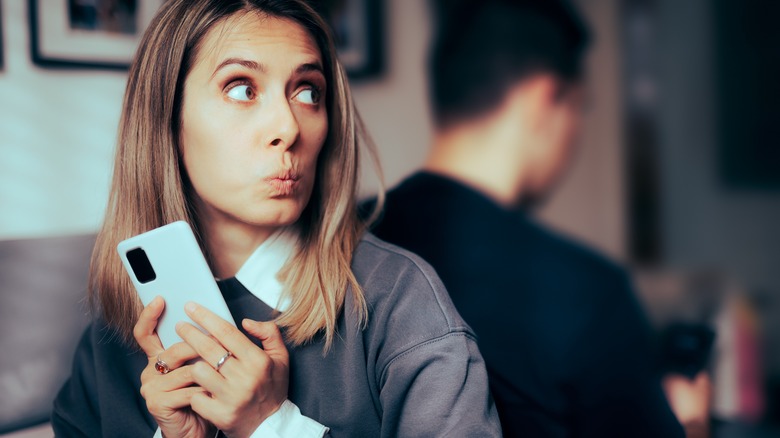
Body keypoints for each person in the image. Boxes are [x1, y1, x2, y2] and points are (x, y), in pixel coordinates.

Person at [52, 1, 502, 436]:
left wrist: (269, 426)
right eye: (242, 89)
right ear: (166, 117)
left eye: (308, 92)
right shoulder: (110, 341)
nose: (288, 127)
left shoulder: (400, 302)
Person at [369, 1, 703, 437]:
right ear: (545, 98)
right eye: (579, 107)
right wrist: (690, 423)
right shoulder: (586, 293)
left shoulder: (344, 235)